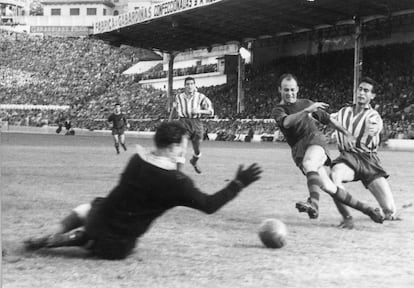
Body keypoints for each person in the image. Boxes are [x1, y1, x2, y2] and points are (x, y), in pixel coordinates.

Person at [24, 121, 262, 260]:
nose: (186, 150)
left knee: (93, 205)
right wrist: (237, 184)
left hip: (98, 221)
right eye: (184, 145)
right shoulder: (178, 183)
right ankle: (77, 239)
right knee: (109, 229)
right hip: (116, 248)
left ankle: (57, 233)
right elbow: (209, 205)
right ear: (174, 147)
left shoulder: (136, 161)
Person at [272, 73, 384, 224]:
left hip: (314, 140)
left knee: (309, 163)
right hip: (299, 150)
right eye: (286, 90)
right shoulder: (278, 110)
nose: (290, 93)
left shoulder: (306, 103)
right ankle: (369, 210)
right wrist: (306, 111)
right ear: (280, 90)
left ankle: (314, 204)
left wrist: (346, 133)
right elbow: (286, 123)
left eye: (292, 89)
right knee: (328, 186)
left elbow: (329, 120)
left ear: (297, 89)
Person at [330, 77, 398, 229]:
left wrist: (374, 130)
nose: (361, 93)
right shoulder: (342, 112)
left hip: (369, 161)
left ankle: (384, 210)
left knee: (389, 211)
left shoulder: (374, 116)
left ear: (372, 96)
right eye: (360, 89)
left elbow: (376, 125)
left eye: (366, 91)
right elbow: (326, 119)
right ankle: (347, 216)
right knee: (334, 175)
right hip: (348, 158)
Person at [170, 77, 214, 173]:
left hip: (196, 123)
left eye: (191, 84)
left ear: (194, 85)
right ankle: (178, 174)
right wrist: (170, 122)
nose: (189, 86)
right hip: (183, 122)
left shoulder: (201, 97)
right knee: (182, 148)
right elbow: (174, 109)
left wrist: (199, 111)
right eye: (187, 84)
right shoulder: (178, 97)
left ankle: (194, 161)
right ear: (184, 86)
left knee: (197, 149)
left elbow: (211, 111)